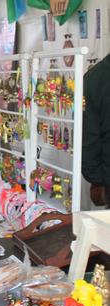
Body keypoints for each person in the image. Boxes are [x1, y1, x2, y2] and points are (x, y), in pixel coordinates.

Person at [82, 53, 110, 206]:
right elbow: (88, 136)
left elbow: (88, 137)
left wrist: (98, 179)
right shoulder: (95, 78)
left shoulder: (94, 78)